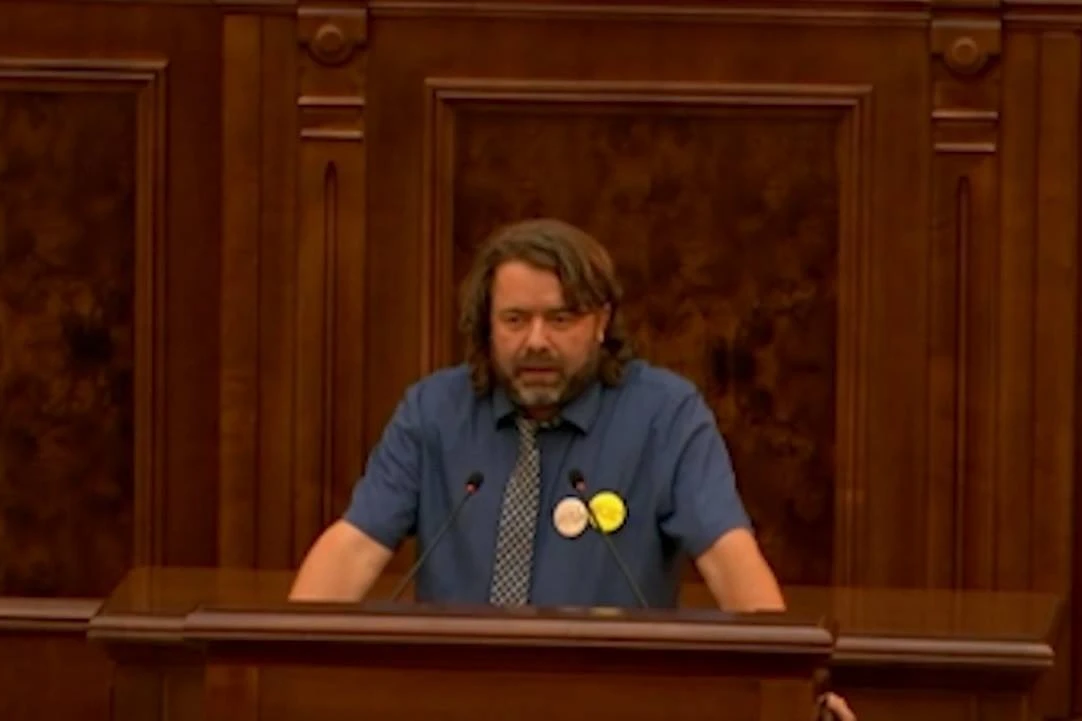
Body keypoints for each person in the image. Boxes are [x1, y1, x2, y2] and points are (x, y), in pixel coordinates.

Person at [290, 217, 853, 720]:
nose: (537, 341)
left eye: (561, 318)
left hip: (614, 703)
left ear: (601, 322)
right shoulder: (434, 411)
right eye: (515, 319)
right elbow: (354, 548)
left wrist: (795, 686)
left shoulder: (664, 416)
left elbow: (729, 558)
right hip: (452, 701)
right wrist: (286, 669)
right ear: (487, 325)